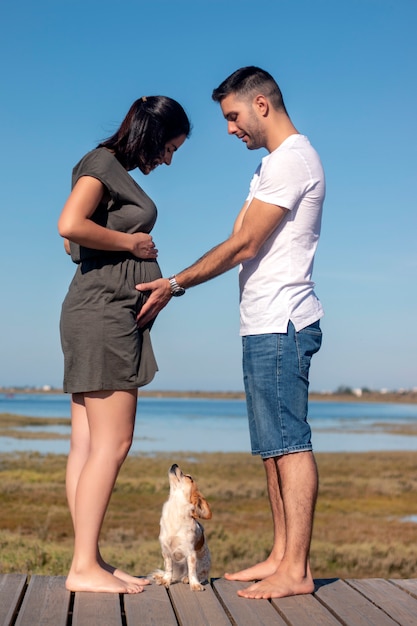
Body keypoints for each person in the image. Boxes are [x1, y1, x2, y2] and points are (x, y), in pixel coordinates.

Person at [136, 66, 325, 599]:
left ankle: (297, 570)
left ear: (261, 104)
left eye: (233, 116)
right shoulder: (269, 167)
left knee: (291, 445)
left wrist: (175, 282)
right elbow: (240, 235)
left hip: (283, 321)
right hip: (262, 323)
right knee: (272, 450)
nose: (229, 128)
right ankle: (281, 556)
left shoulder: (292, 162)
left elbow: (243, 245)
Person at [58, 96, 191, 594]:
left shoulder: (105, 167)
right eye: (171, 147)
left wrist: (114, 246)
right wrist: (133, 245)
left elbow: (74, 241)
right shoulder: (102, 163)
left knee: (88, 445)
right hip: (103, 318)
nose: (169, 159)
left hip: (93, 311)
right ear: (152, 133)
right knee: (112, 444)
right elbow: (69, 226)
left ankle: (87, 560)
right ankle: (83, 568)